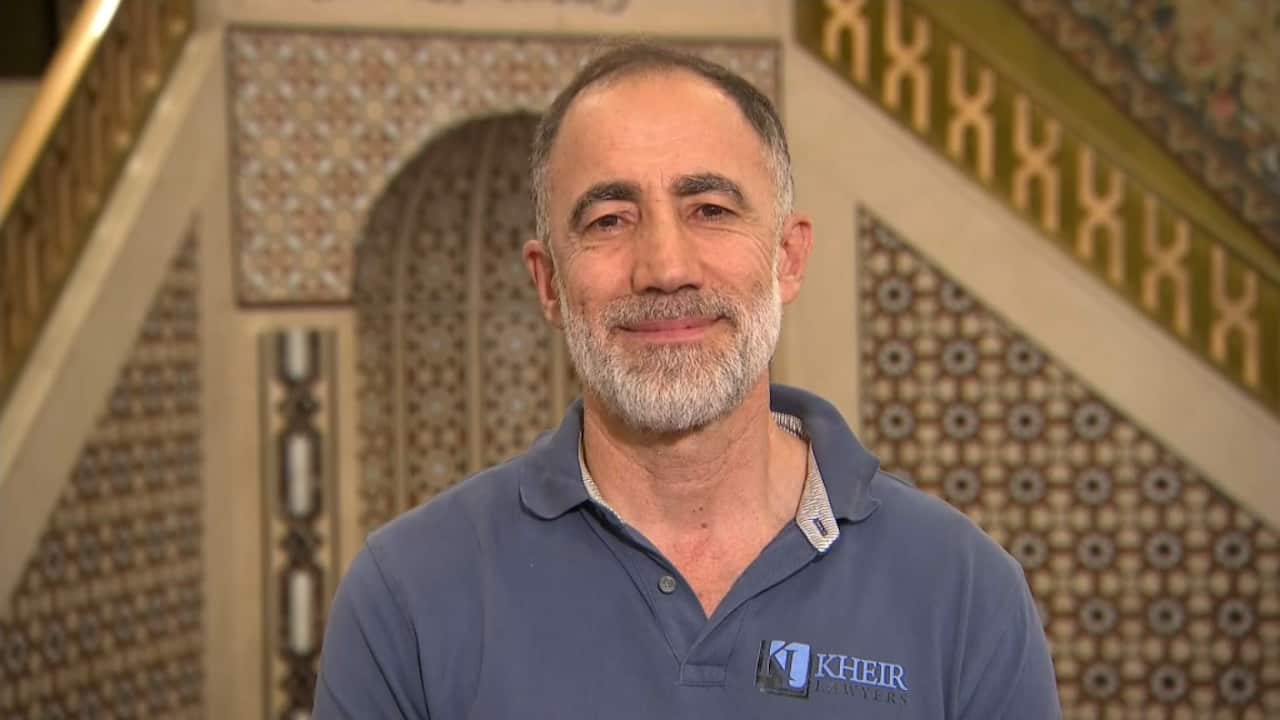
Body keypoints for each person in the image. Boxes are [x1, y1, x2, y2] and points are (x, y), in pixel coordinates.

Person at [313, 43, 1062, 718]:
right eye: (610, 220)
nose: (665, 268)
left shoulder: (964, 590)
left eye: (710, 209)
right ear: (548, 284)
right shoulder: (407, 594)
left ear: (789, 258)